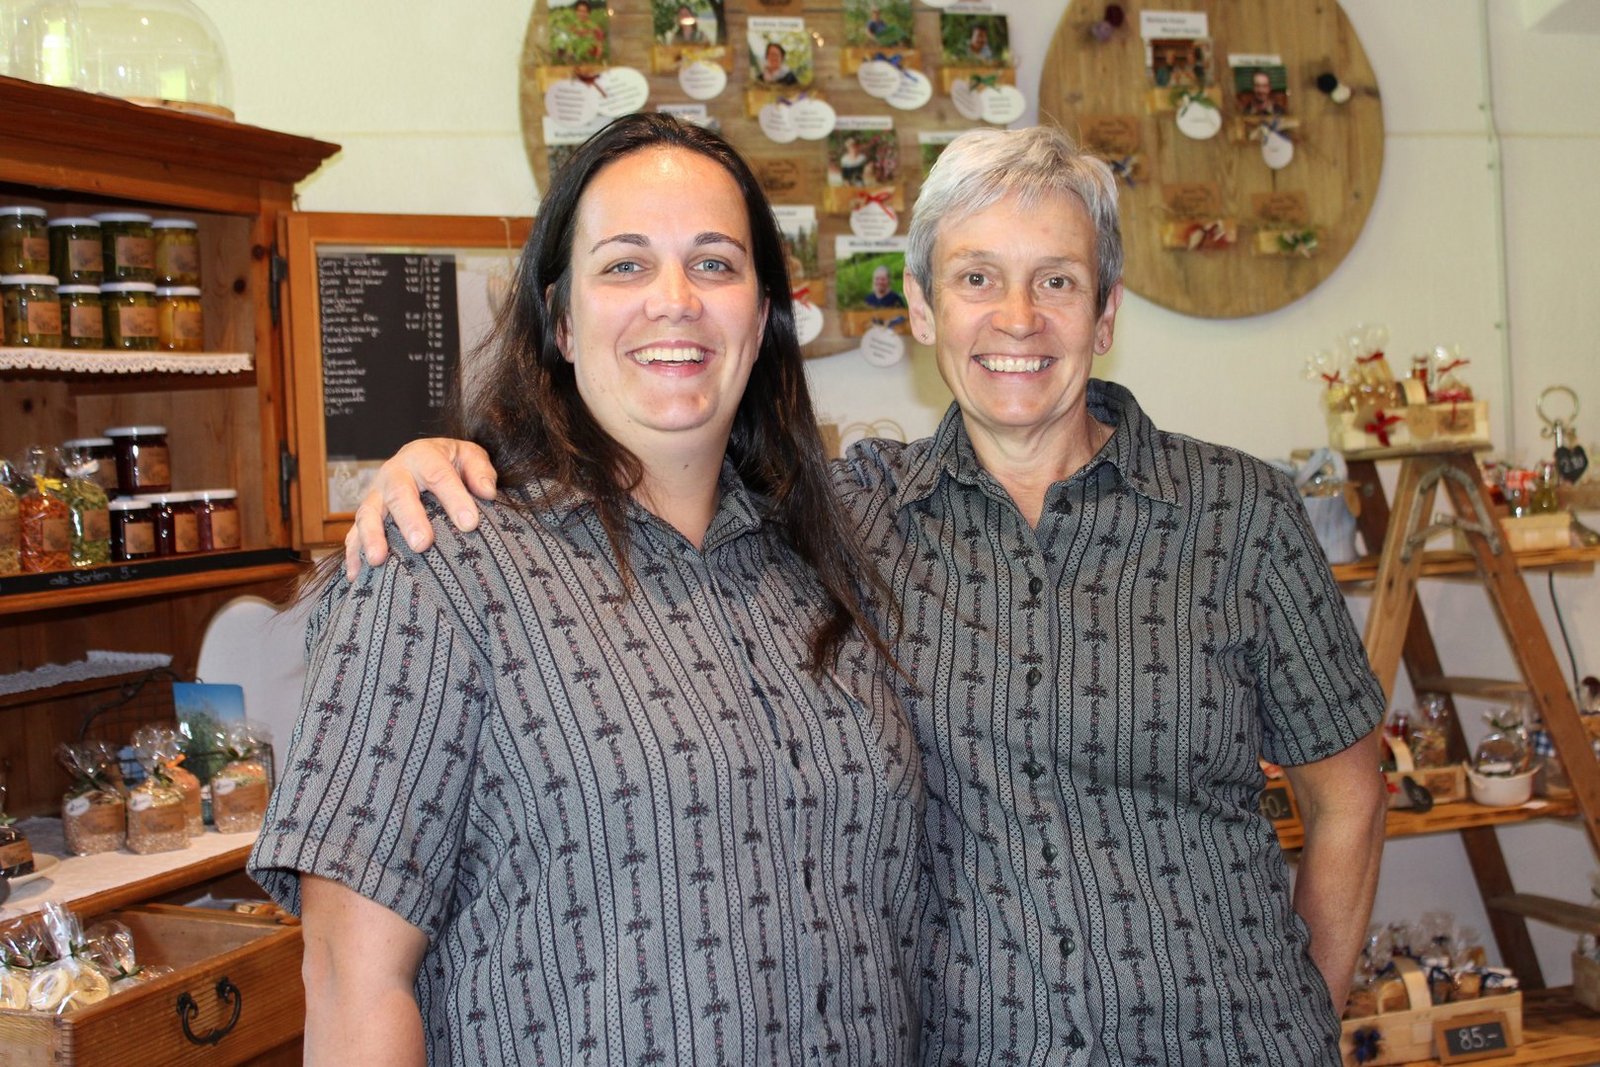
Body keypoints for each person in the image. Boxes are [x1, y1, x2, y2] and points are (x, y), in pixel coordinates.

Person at [349, 125, 1388, 1065]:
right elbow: (660, 450)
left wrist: (1304, 1017)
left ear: (1106, 310)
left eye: (1058, 281)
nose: (1017, 318)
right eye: (976, 277)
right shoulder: (843, 520)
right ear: (925, 307)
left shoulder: (1241, 515)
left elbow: (1349, 797)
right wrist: (440, 457)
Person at [251, 113, 930, 1066]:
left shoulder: (830, 560)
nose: (674, 301)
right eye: (625, 265)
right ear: (562, 320)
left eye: (715, 263)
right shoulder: (440, 569)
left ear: (763, 315)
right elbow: (349, 979)